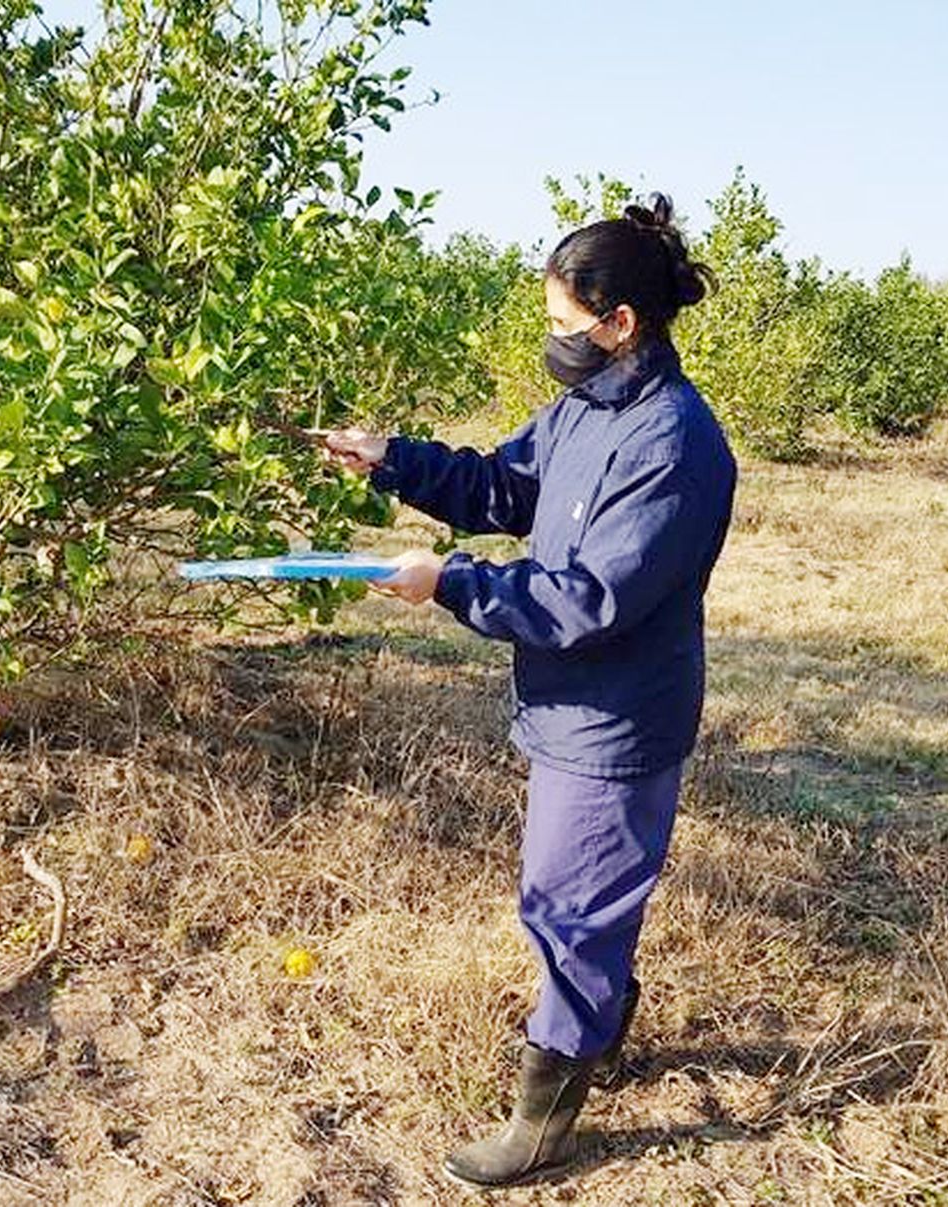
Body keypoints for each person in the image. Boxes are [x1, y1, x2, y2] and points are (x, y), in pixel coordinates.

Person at [323, 193, 737, 1189]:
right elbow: (507, 488)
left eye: (564, 327)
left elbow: (589, 598)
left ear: (620, 323)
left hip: (615, 716)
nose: (555, 345)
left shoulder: (676, 447)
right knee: (581, 900)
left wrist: (449, 581)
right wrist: (394, 461)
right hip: (565, 705)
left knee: (567, 907)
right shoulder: (586, 410)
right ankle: (601, 1027)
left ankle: (544, 1121)